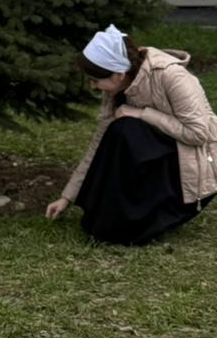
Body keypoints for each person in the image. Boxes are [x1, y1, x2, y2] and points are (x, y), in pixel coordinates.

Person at [46, 24, 217, 245]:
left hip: (189, 166)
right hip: (158, 155)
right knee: (117, 132)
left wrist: (142, 113)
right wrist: (67, 196)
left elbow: (199, 134)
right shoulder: (117, 86)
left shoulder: (172, 76)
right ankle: (118, 214)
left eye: (95, 80)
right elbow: (100, 143)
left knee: (127, 129)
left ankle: (144, 215)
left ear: (118, 74)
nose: (92, 86)